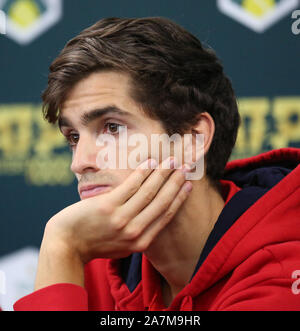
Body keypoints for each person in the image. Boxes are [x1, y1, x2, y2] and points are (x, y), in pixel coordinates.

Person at [14, 17, 300, 311]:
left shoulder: (282, 276)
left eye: (112, 128)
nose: (80, 162)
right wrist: (63, 249)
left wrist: (61, 246)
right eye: (73, 136)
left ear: (192, 138)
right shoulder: (88, 261)